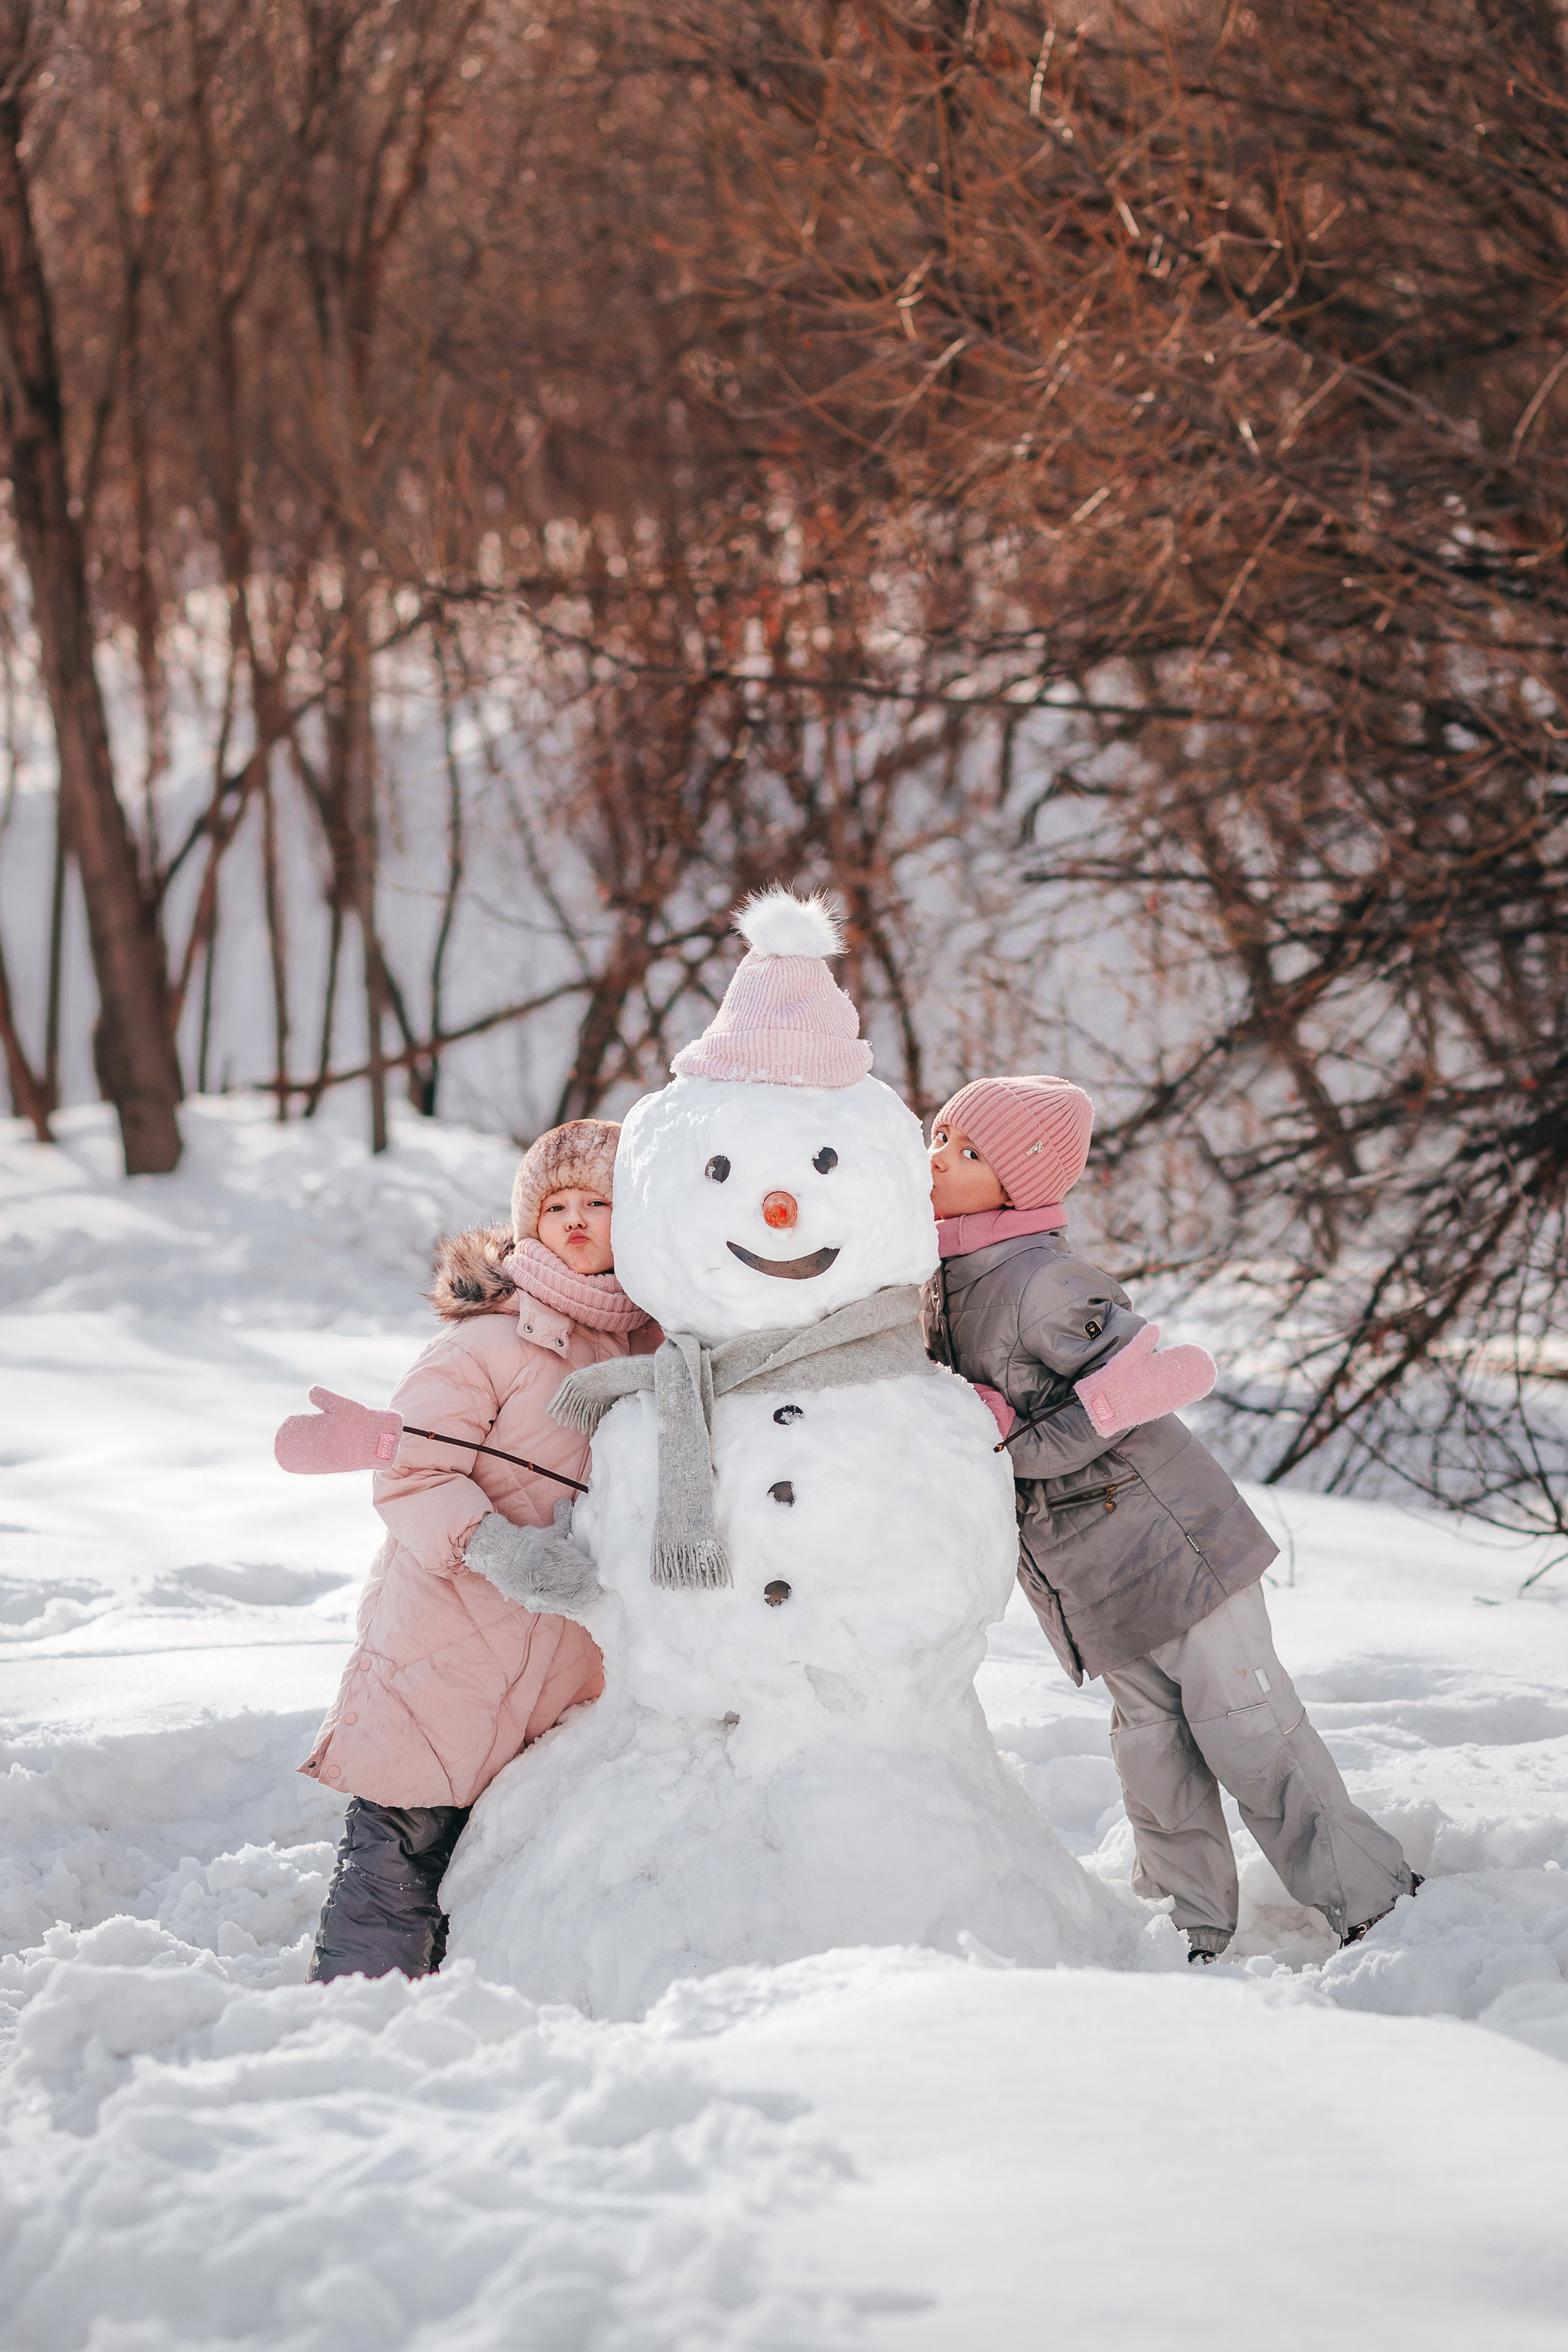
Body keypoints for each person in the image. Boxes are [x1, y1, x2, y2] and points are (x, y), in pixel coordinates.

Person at [924, 1075, 1416, 1961]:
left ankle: (1371, 1897)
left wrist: (1015, 1439)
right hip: (1087, 1576)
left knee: (1248, 1730)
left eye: (967, 1151)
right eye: (941, 1138)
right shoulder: (940, 1285)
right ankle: (1191, 1924)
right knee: (1152, 1754)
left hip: (1171, 1544)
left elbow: (1152, 1378)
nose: (939, 1162)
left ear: (1021, 1181)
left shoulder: (1041, 1277)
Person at [302, 1120, 659, 1983]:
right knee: (405, 1833)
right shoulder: (488, 1340)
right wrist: (501, 1549)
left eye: (599, 1203)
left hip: (557, 1660)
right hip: (447, 1634)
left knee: (496, 1844)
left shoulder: (649, 1350)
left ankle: (471, 1999)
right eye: (556, 1204)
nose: (575, 1219)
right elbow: (414, 1475)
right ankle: (356, 2006)